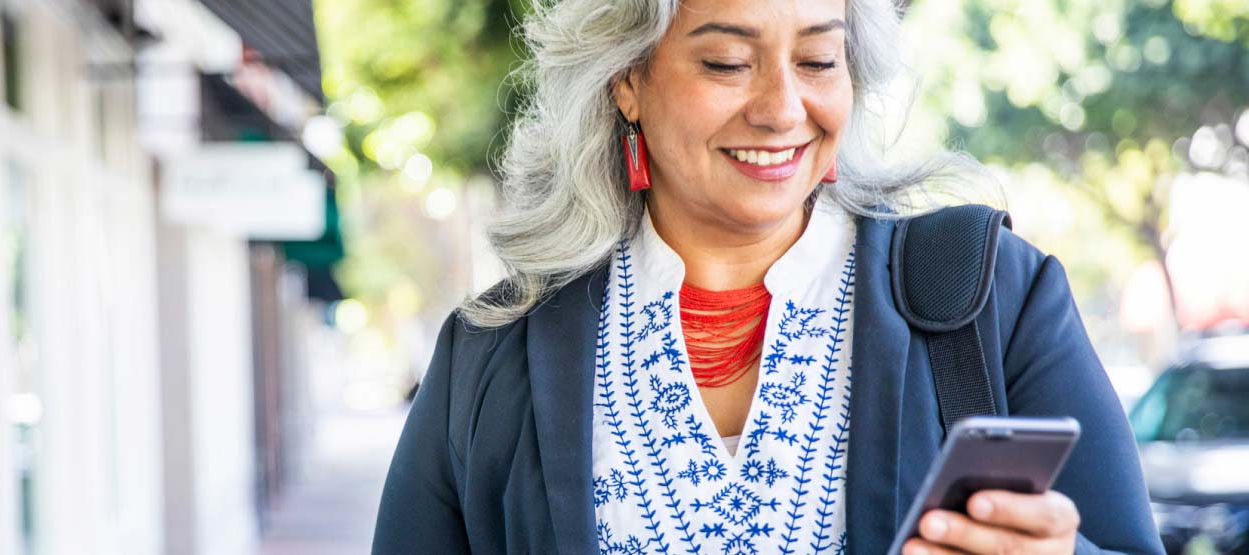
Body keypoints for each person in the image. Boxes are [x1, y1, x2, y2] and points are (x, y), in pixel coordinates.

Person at [372, 0, 1163, 554]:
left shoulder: (995, 296)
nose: (784, 107)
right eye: (727, 61)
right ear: (626, 79)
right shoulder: (493, 353)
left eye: (820, 59)